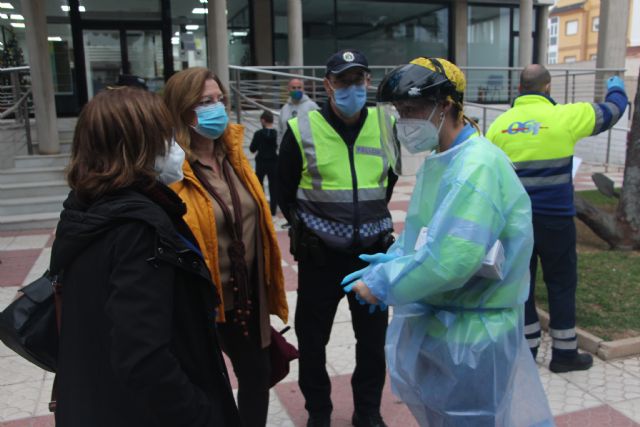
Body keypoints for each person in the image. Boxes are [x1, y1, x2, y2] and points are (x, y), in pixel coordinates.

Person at [342, 57, 554, 427]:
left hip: (474, 336)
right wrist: (393, 260)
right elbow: (427, 233)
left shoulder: (476, 167)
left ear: (446, 106)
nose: (404, 120)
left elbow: (453, 259)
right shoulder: (445, 160)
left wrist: (386, 283)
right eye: (399, 111)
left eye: (412, 109)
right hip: (449, 325)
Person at [51, 86, 240, 426]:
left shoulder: (84, 211)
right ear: (138, 147)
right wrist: (201, 414)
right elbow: (143, 355)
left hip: (95, 403)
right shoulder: (137, 229)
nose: (175, 147)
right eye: (165, 136)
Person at [278, 49, 397, 427]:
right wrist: (315, 230)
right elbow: (284, 192)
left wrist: (366, 224)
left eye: (358, 80)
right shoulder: (302, 129)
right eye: (343, 80)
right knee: (313, 345)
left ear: (368, 81)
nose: (352, 88)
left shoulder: (384, 124)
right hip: (320, 259)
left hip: (371, 258)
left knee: (372, 344)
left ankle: (367, 412)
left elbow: (389, 180)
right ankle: (319, 414)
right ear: (328, 85)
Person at [163, 67, 289, 427]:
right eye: (205, 102)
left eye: (219, 99)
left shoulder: (233, 155)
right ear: (182, 110)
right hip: (198, 301)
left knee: (257, 375)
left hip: (245, 298)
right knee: (202, 384)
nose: (216, 109)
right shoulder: (170, 168)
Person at [486, 64, 628, 373]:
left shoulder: (499, 126)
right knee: (561, 284)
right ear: (548, 88)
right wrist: (616, 88)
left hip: (516, 223)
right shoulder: (565, 116)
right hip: (556, 221)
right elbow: (614, 111)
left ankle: (526, 351)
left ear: (519, 89)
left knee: (521, 284)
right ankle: (564, 355)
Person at [250, 110, 279, 216]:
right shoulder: (276, 134)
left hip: (261, 162)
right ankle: (273, 211)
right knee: (274, 187)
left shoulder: (258, 134)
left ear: (263, 120)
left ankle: (262, 208)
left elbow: (252, 149)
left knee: (259, 185)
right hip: (274, 162)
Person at [277, 78, 319, 145]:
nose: (297, 90)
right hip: (288, 150)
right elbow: (280, 131)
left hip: (307, 150)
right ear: (288, 90)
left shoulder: (312, 106)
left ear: (303, 89)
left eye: (299, 87)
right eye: (293, 88)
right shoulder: (284, 109)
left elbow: (319, 128)